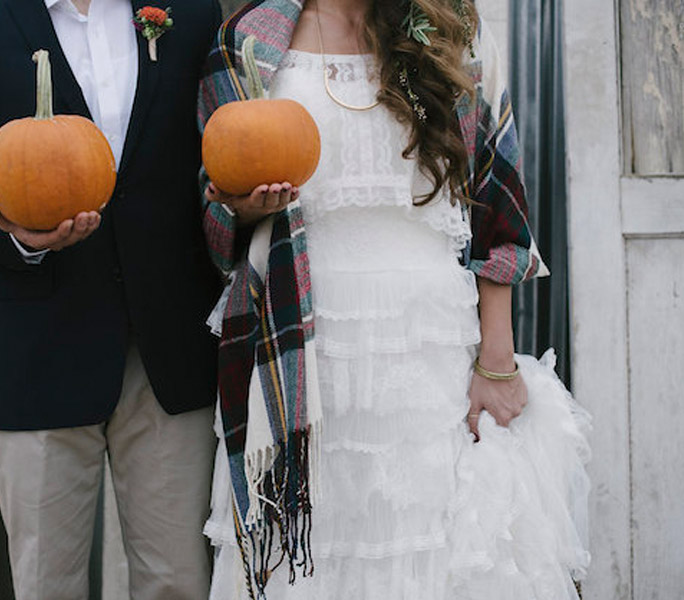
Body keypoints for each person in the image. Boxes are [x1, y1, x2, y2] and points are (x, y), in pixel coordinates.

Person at [198, 0, 591, 598]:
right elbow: (213, 216)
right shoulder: (245, 42)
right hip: (301, 346)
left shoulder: (451, 31)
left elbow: (496, 205)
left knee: (429, 545)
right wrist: (243, 205)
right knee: (311, 553)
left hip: (427, 352)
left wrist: (497, 360)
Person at [0, 0, 222, 598]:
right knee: (45, 584)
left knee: (179, 582)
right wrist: (17, 235)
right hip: (40, 351)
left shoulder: (189, 14)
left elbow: (211, 160)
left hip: (171, 351)